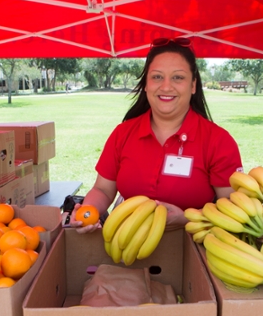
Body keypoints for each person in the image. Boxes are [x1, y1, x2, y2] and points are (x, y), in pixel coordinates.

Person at [71, 37, 243, 233]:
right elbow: (103, 189)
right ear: (146, 84)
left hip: (194, 247)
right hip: (128, 244)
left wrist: (187, 219)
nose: (166, 86)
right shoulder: (123, 133)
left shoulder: (219, 141)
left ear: (193, 85)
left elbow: (232, 211)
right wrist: (88, 211)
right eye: (157, 77)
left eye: (178, 77)